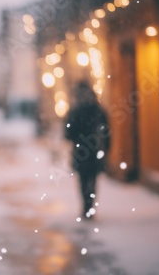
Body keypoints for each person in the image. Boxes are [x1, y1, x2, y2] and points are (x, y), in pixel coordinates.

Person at [64, 81, 110, 220]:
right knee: (93, 179)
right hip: (95, 149)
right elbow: (106, 130)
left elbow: (68, 133)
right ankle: (90, 206)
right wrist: (106, 146)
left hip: (81, 150)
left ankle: (86, 206)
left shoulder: (75, 110)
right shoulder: (98, 109)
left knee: (83, 179)